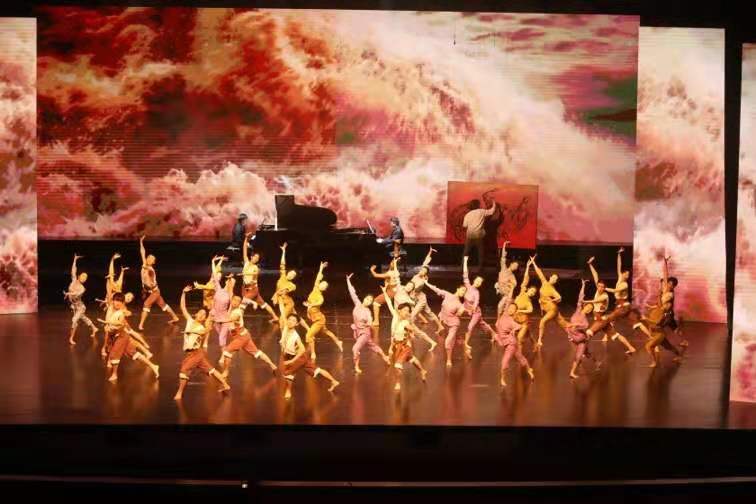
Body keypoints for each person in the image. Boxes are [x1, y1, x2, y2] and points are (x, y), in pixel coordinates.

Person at [174, 286, 231, 400]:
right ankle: (225, 384)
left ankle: (179, 394)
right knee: (211, 370)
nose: (201, 315)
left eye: (204, 315)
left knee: (184, 370)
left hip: (195, 354)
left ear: (204, 318)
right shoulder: (190, 321)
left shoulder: (201, 328)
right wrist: (184, 293)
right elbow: (183, 307)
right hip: (193, 354)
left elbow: (205, 331)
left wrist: (213, 314)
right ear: (195, 314)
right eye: (200, 313)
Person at [280, 307, 340, 400]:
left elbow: (302, 350)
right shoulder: (285, 327)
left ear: (296, 324)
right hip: (291, 356)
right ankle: (334, 381)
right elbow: (283, 312)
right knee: (316, 370)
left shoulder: (295, 336)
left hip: (298, 357)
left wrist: (292, 361)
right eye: (289, 320)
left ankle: (288, 391)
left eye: (293, 321)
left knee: (288, 373)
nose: (290, 322)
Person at [586, 255, 636, 354]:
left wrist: (585, 302)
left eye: (602, 287)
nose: (600, 288)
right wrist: (590, 264)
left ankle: (584, 351)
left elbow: (595, 301)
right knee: (616, 335)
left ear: (604, 288)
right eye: (598, 286)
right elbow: (595, 275)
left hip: (601, 320)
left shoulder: (605, 295)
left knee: (588, 333)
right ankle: (631, 348)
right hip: (601, 319)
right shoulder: (598, 290)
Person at [104, 293, 160, 382]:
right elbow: (108, 322)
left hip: (121, 336)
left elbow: (121, 323)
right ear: (113, 301)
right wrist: (108, 327)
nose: (117, 303)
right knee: (133, 353)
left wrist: (114, 326)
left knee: (115, 354)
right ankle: (154, 366)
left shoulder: (121, 312)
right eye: (116, 301)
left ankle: (115, 374)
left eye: (120, 301)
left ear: (122, 303)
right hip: (115, 336)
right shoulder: (110, 309)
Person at [218, 295, 277, 377]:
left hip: (240, 337)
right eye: (234, 300)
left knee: (227, 352)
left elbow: (232, 318)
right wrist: (253, 303)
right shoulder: (231, 309)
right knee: (256, 352)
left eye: (238, 301)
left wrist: (218, 318)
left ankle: (226, 372)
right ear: (231, 300)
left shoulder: (237, 312)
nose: (235, 302)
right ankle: (272, 365)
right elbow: (246, 300)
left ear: (239, 303)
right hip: (245, 335)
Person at [383, 287, 428, 392]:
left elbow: (412, 330)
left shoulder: (405, 323)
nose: (407, 312)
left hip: (405, 347)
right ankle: (423, 370)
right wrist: (391, 347)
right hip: (397, 346)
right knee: (412, 359)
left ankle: (398, 383)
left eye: (408, 311)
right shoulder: (397, 320)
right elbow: (394, 337)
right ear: (399, 311)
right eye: (405, 310)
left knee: (397, 365)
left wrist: (411, 334)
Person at [347, 273, 391, 374]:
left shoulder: (368, 312)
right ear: (364, 299)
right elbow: (352, 293)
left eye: (370, 301)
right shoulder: (357, 304)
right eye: (367, 299)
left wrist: (370, 324)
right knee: (373, 346)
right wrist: (348, 281)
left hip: (365, 333)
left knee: (355, 349)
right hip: (357, 332)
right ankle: (385, 357)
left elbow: (370, 321)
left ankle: (356, 366)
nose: (368, 301)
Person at [557, 279, 601, 379]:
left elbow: (583, 326)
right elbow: (580, 297)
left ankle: (572, 372)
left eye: (591, 309)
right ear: (585, 306)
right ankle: (597, 362)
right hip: (573, 337)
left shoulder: (585, 321)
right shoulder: (578, 310)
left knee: (579, 355)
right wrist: (583, 285)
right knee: (587, 353)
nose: (589, 308)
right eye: (588, 306)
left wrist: (575, 324)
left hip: (581, 340)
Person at [485, 303, 535, 387]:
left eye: (513, 309)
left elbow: (521, 327)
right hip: (503, 340)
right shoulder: (504, 314)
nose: (511, 309)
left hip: (510, 344)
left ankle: (502, 379)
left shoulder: (512, 321)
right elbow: (507, 301)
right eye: (510, 308)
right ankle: (529, 371)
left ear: (515, 311)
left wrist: (515, 330)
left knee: (505, 361)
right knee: (520, 357)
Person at [137, 235, 179, 330]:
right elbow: (142, 252)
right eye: (148, 257)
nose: (149, 259)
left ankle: (141, 325)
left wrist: (146, 268)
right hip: (152, 291)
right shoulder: (144, 264)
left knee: (146, 304)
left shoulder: (151, 270)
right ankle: (175, 317)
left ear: (153, 262)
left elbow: (149, 272)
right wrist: (141, 242)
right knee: (163, 305)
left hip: (155, 292)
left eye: (151, 259)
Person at [304, 261, 343, 360]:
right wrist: (321, 268)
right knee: (326, 331)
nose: (322, 285)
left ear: (325, 289)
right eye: (322, 283)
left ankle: (313, 353)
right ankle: (338, 342)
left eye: (324, 286)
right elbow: (318, 277)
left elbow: (318, 303)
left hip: (319, 320)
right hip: (315, 318)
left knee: (309, 335)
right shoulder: (315, 289)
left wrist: (310, 305)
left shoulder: (321, 297)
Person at [426, 281, 467, 367]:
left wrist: (463, 310)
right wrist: (426, 283)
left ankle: (449, 359)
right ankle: (465, 348)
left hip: (454, 324)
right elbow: (436, 289)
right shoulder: (448, 295)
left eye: (465, 292)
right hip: (445, 321)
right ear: (458, 289)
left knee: (448, 342)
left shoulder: (460, 304)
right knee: (456, 340)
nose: (463, 292)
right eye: (462, 290)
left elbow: (459, 314)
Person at [241, 231, 279, 323]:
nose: (256, 259)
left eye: (258, 258)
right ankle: (275, 317)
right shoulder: (246, 262)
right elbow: (244, 249)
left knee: (243, 304)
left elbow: (254, 277)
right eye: (255, 257)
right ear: (251, 257)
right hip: (245, 288)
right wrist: (246, 238)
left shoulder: (256, 268)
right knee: (263, 304)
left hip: (252, 289)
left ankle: (238, 321)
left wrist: (246, 275)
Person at [461, 255, 494, 358]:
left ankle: (466, 343)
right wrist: (465, 261)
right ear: (474, 280)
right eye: (477, 280)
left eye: (480, 282)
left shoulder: (476, 293)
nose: (478, 283)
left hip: (476, 312)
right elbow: (465, 274)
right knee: (482, 324)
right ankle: (493, 334)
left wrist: (472, 309)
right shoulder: (468, 286)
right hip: (466, 308)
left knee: (470, 327)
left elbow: (476, 303)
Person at [65, 254, 98, 345]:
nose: (84, 278)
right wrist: (75, 260)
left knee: (74, 320)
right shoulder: (73, 280)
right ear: (79, 276)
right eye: (83, 276)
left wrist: (69, 294)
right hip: (75, 306)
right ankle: (94, 328)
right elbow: (73, 270)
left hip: (80, 307)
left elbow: (76, 294)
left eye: (86, 278)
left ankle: (71, 338)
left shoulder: (82, 288)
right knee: (83, 318)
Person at [409, 247, 444, 333]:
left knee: (413, 315)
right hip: (417, 298)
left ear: (425, 274)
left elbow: (414, 289)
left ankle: (410, 332)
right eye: (422, 270)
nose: (422, 271)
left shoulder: (423, 280)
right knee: (429, 313)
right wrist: (430, 252)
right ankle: (440, 326)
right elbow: (425, 261)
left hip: (420, 299)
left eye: (424, 271)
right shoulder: (417, 275)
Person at [531, 256, 561, 351]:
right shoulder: (544, 282)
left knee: (542, 321)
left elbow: (559, 298)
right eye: (553, 277)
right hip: (545, 307)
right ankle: (572, 333)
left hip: (552, 309)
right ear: (550, 277)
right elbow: (539, 272)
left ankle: (539, 340)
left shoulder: (552, 289)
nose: (554, 280)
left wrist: (552, 300)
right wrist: (533, 262)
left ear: (555, 281)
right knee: (562, 323)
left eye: (555, 279)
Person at [462, 197, 497, 273]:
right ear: (478, 205)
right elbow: (492, 211)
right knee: (480, 253)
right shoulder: (481, 211)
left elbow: (464, 225)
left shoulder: (468, 214)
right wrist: (494, 202)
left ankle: (463, 267)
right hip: (478, 236)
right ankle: (480, 268)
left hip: (470, 236)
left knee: (466, 252)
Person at [513, 258, 537, 348]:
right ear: (528, 289)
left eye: (534, 293)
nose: (532, 293)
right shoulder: (522, 292)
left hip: (523, 321)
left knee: (520, 338)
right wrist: (527, 267)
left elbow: (530, 310)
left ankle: (520, 353)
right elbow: (526, 279)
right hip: (515, 318)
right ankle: (534, 343)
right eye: (532, 290)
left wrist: (521, 310)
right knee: (528, 333)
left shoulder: (528, 302)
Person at [370, 258, 401, 328]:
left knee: (376, 302)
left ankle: (376, 321)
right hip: (393, 290)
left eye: (393, 263)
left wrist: (372, 270)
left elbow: (376, 275)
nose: (391, 264)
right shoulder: (395, 272)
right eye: (391, 262)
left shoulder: (391, 273)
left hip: (392, 291)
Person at [495, 241, 519, 317]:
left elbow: (515, 284)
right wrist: (504, 245)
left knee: (501, 307)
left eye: (516, 267)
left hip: (507, 294)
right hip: (500, 292)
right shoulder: (504, 269)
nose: (515, 267)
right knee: (502, 308)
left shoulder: (512, 276)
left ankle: (499, 320)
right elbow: (503, 258)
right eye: (515, 265)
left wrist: (509, 284)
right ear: (511, 264)